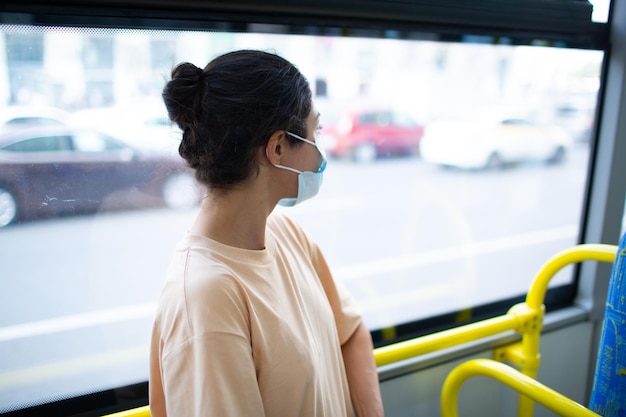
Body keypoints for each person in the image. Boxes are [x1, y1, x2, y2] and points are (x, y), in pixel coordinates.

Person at [149, 49, 384, 417]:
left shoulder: (287, 234)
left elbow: (350, 333)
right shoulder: (207, 298)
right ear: (277, 148)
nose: (320, 151)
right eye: (314, 132)